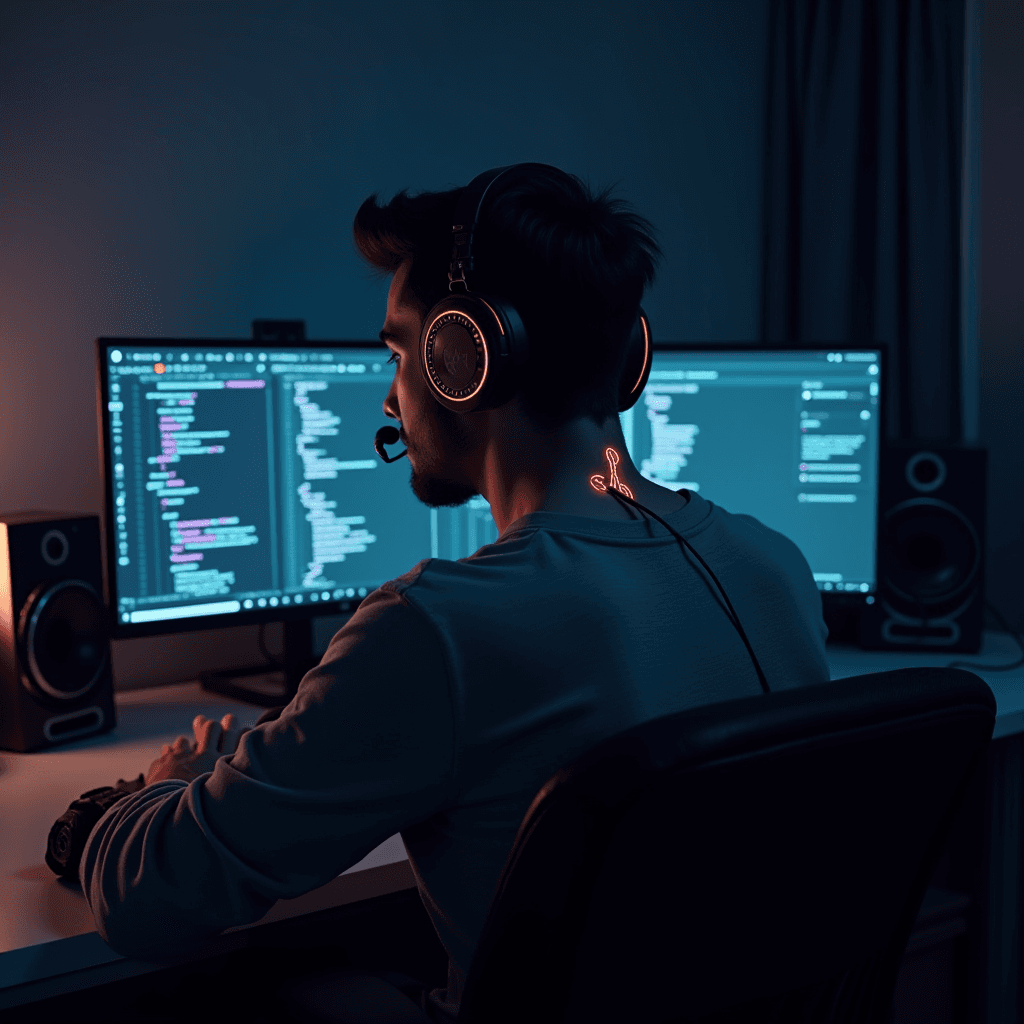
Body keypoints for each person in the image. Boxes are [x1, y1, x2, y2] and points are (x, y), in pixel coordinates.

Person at [80, 165, 829, 1023]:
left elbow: (148, 902)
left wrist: (154, 791)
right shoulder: (774, 565)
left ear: (467, 356)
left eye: (400, 350)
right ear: (626, 359)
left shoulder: (436, 631)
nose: (394, 391)